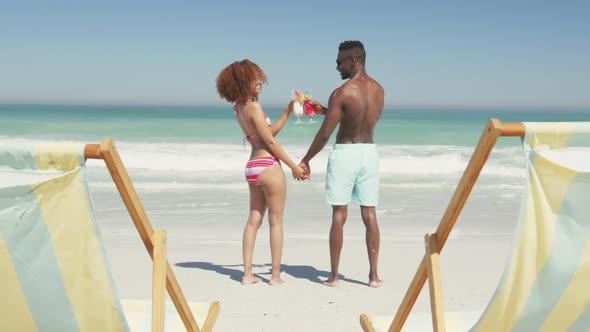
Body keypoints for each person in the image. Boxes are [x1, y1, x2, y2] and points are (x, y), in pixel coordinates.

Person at [299, 41, 384, 288]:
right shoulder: (379, 90)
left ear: (354, 61)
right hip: (369, 153)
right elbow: (355, 116)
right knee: (369, 213)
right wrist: (324, 110)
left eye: (340, 62)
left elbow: (326, 134)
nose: (336, 66)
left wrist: (305, 160)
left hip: (345, 153)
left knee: (339, 214)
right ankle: (374, 276)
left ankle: (334, 277)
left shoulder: (342, 92)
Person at [216, 59, 307, 286]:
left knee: (253, 220)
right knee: (275, 222)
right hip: (268, 166)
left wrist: (287, 111)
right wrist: (293, 166)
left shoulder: (239, 108)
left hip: (252, 168)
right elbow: (270, 143)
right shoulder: (254, 107)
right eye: (255, 78)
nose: (259, 82)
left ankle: (247, 274)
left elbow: (267, 133)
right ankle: (275, 276)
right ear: (243, 81)